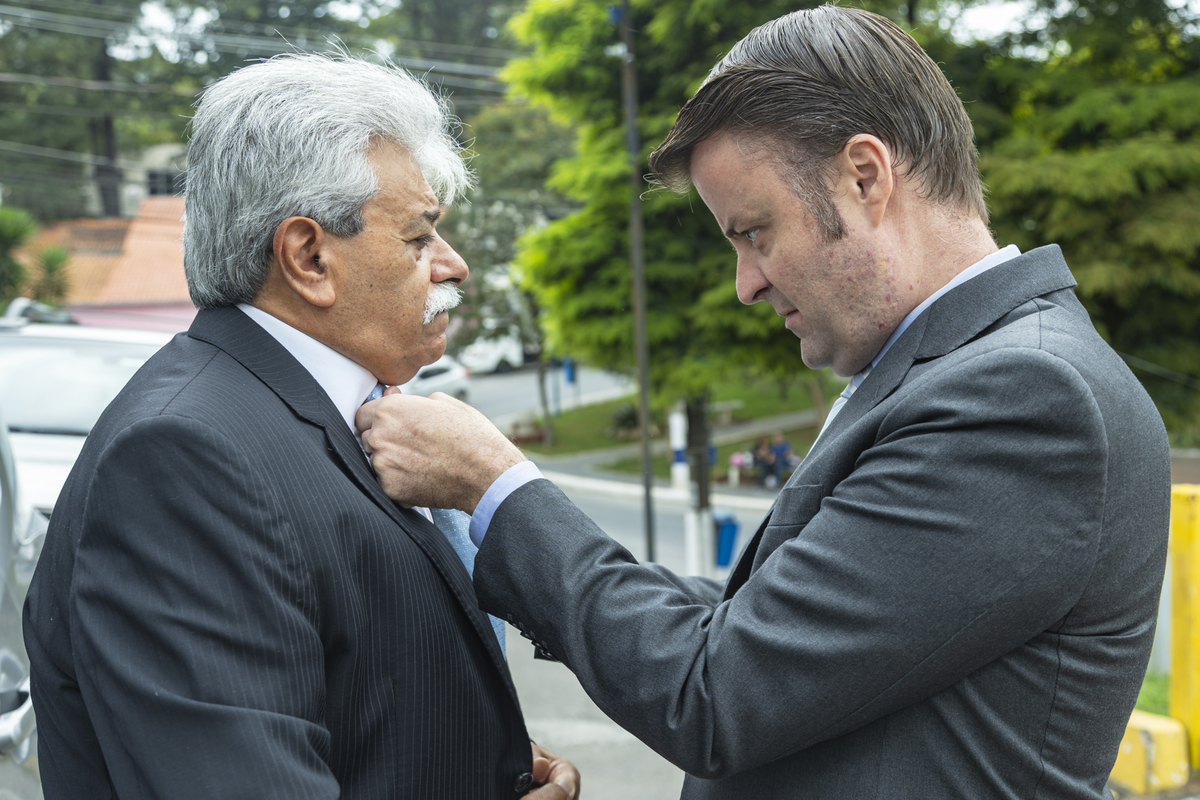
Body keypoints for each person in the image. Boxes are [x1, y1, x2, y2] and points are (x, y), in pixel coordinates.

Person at [356, 7, 1170, 798]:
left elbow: (721, 691)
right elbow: (766, 627)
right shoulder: (960, 371)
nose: (746, 284)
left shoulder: (1025, 397)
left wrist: (496, 485)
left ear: (865, 177)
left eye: (753, 232)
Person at [22, 54, 577, 800]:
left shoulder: (328, 419)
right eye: (419, 238)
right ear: (309, 257)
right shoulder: (184, 459)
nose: (455, 266)